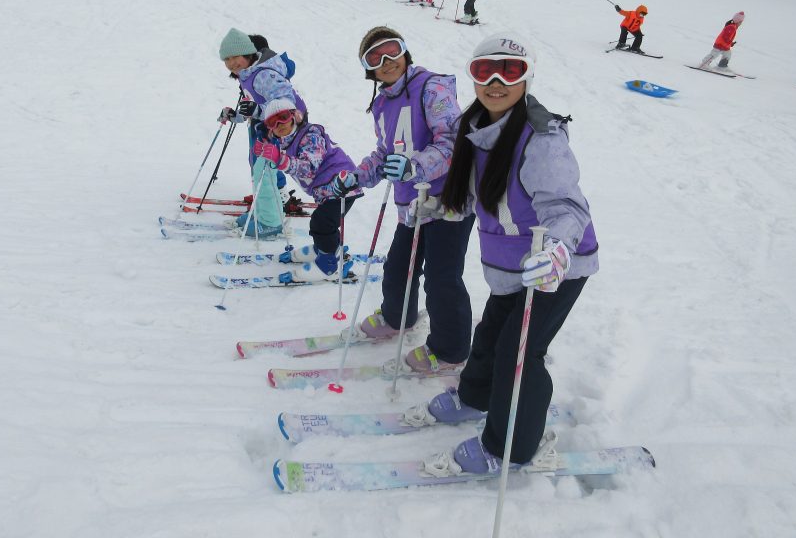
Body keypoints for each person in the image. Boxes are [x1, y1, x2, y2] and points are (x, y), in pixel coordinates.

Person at [418, 31, 598, 477]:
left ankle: (511, 448)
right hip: (511, 266)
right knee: (491, 337)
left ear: (527, 78)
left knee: (519, 355)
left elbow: (566, 207)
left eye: (510, 70)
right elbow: (481, 194)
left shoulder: (541, 138)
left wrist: (557, 252)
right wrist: (441, 204)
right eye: (484, 70)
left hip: (556, 266)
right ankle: (475, 399)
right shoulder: (475, 126)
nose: (496, 81)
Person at [331, 27, 474, 372]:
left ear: (405, 52)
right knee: (398, 269)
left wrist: (416, 166)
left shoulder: (431, 87)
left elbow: (454, 140)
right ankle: (397, 317)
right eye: (375, 58)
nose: (386, 62)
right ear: (369, 69)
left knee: (442, 278)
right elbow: (385, 153)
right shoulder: (382, 104)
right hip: (412, 205)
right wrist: (356, 177)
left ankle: (450, 351)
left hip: (447, 201)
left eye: (392, 51)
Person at [253, 98, 364, 281]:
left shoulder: (310, 135)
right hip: (326, 189)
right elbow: (275, 142)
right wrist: (265, 141)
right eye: (273, 122)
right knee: (325, 222)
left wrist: (280, 159)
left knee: (321, 223)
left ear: (294, 116)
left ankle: (329, 265)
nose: (280, 124)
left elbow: (310, 168)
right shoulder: (284, 139)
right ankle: (326, 248)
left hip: (342, 184)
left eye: (283, 117)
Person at [218, 29, 308, 211]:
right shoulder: (247, 74)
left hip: (284, 122)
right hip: (264, 121)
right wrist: (235, 115)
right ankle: (266, 191)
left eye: (235, 56)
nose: (231, 63)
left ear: (248, 53)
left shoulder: (263, 74)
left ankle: (278, 194)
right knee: (257, 158)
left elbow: (285, 102)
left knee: (267, 159)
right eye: (226, 59)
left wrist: (257, 110)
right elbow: (253, 103)